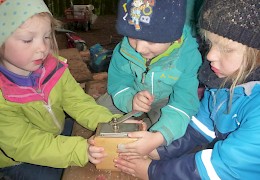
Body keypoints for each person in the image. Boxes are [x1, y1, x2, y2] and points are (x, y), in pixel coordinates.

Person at [113, 0, 260, 179]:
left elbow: (221, 167)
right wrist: (158, 149)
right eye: (210, 43)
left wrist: (151, 171)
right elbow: (200, 128)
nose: (209, 55)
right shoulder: (221, 86)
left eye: (226, 49)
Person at [0, 0, 122, 180]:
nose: (42, 48)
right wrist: (81, 150)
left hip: (55, 130)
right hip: (20, 159)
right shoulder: (3, 95)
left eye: (47, 36)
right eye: (28, 39)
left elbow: (78, 102)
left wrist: (113, 124)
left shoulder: (53, 69)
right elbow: (24, 144)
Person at [96, 0, 202, 156]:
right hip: (132, 93)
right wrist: (130, 100)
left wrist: (158, 137)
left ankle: (147, 131)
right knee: (97, 111)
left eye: (151, 41)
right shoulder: (124, 50)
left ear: (175, 36)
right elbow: (118, 84)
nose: (139, 48)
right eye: (132, 37)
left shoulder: (188, 57)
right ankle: (139, 124)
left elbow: (184, 103)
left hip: (167, 103)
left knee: (172, 137)